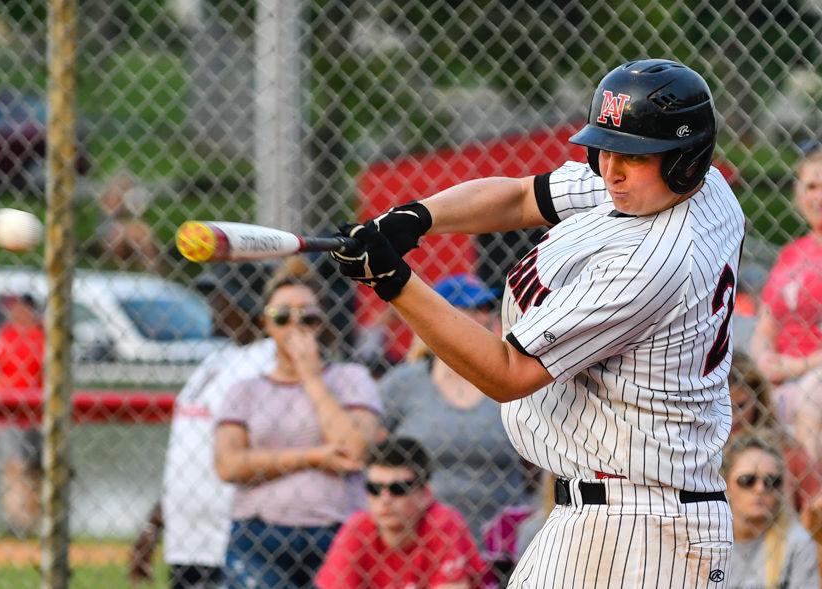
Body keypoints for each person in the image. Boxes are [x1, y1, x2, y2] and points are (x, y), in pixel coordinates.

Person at [332, 59, 743, 586]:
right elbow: (522, 197)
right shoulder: (683, 189)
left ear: (687, 161)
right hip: (607, 513)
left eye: (634, 156)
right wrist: (414, 217)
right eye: (606, 150)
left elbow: (508, 372)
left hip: (647, 528)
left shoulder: (657, 260)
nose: (611, 171)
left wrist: (393, 282)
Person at [214, 273, 384, 588]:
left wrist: (310, 376)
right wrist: (313, 458)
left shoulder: (352, 378)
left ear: (322, 322)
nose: (295, 324)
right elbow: (229, 465)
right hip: (259, 534)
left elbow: (354, 450)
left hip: (338, 530)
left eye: (307, 316)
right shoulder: (244, 390)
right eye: (282, 316)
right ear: (265, 324)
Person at [126, 261, 280, 588]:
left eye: (222, 296)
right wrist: (154, 526)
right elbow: (186, 455)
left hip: (235, 538)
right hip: (188, 540)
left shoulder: (270, 361)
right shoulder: (216, 361)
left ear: (246, 305)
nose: (213, 305)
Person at [379, 273, 533, 543]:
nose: (486, 317)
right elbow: (378, 456)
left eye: (487, 308)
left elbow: (536, 465)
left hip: (503, 540)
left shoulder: (512, 382)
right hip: (423, 538)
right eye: (473, 308)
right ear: (439, 316)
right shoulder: (404, 383)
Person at [315, 436, 487, 588]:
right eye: (374, 488)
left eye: (398, 489)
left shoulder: (442, 522)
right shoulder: (358, 527)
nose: (385, 499)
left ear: (425, 494)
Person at [750, 142, 822, 460]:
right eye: (811, 186)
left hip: (813, 374)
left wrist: (796, 367)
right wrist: (764, 360)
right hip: (781, 372)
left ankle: (812, 488)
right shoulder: (791, 253)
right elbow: (765, 326)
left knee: (810, 396)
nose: (818, 197)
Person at [728, 351, 822, 512]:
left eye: (740, 406)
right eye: (720, 408)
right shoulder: (697, 451)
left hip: (782, 526)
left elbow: (815, 509)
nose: (732, 418)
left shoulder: (788, 451)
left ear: (758, 399)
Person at [723, 434, 819, 589]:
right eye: (748, 480)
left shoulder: (797, 543)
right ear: (725, 484)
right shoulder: (708, 540)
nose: (760, 489)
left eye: (771, 481)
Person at [0, 294, 45, 537]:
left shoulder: (41, 336)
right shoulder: (6, 335)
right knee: (14, 466)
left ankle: (33, 521)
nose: (13, 313)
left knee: (35, 469)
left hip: (37, 413)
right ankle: (17, 521)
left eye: (18, 308)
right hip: (8, 412)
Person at [91, 172, 162, 272]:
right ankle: (151, 267)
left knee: (140, 230)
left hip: (124, 233)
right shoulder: (112, 196)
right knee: (132, 231)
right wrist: (121, 201)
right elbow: (112, 214)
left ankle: (149, 267)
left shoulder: (129, 199)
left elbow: (137, 216)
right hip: (108, 233)